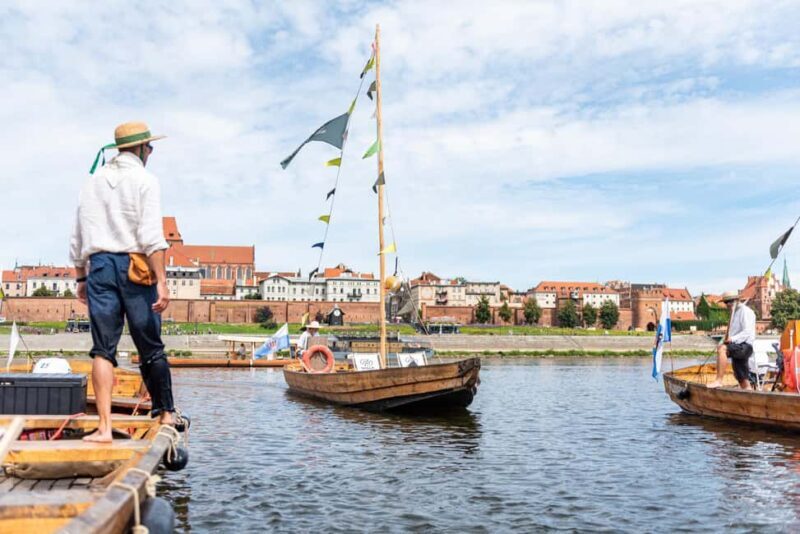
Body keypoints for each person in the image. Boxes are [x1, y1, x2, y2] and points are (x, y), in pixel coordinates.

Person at [70, 121, 175, 442]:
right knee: (151, 348)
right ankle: (166, 415)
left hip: (99, 265)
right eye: (150, 147)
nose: (152, 152)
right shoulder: (145, 180)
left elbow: (78, 234)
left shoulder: (93, 181)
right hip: (135, 266)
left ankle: (103, 428)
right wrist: (161, 281)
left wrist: (82, 277)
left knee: (102, 351)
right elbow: (151, 237)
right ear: (142, 149)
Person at [708, 291, 756, 390]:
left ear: (736, 300)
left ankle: (718, 381)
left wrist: (732, 339)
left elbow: (747, 331)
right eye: (726, 302)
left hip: (745, 346)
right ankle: (749, 396)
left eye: (729, 301)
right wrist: (724, 340)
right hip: (737, 346)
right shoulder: (734, 313)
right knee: (742, 378)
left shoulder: (745, 311)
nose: (728, 304)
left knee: (722, 349)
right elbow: (732, 333)